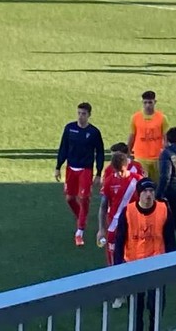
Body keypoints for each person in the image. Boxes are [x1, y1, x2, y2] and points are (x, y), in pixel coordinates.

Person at [114, 178, 176, 331]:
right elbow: (120, 241)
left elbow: (170, 240)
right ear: (139, 194)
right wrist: (117, 268)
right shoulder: (128, 212)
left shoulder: (163, 210)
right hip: (133, 267)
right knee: (136, 310)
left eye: (151, 191)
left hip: (157, 265)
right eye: (145, 192)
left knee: (156, 307)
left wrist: (172, 262)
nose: (149, 195)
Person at [55, 102, 105, 247]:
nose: (81, 116)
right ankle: (81, 219)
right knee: (70, 198)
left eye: (84, 114)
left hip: (86, 170)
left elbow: (100, 153)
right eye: (79, 113)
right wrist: (58, 166)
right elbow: (63, 148)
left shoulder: (94, 132)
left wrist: (98, 172)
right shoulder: (69, 128)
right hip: (71, 168)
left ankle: (79, 232)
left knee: (84, 198)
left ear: (89, 115)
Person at [96, 151, 140, 308]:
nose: (119, 174)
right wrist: (101, 229)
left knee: (134, 257)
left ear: (126, 165)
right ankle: (119, 295)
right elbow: (103, 207)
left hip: (134, 226)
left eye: (122, 170)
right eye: (117, 171)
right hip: (114, 227)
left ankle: (134, 290)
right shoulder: (109, 182)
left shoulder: (137, 181)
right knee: (114, 261)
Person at [128, 90, 169, 183]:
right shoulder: (135, 117)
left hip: (157, 158)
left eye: (150, 102)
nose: (147, 105)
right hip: (140, 157)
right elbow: (132, 136)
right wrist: (128, 152)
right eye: (145, 102)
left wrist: (166, 153)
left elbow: (166, 137)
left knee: (157, 184)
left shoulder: (162, 118)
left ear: (155, 102)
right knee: (141, 184)